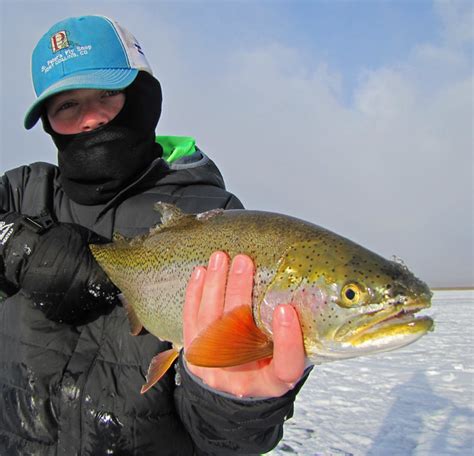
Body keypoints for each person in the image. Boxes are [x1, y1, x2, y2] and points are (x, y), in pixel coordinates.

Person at [0, 15, 308, 455]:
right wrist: (16, 243)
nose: (89, 119)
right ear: (47, 121)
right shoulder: (24, 192)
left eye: (107, 95)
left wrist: (236, 404)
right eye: (66, 106)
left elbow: (223, 438)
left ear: (143, 96)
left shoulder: (215, 222)